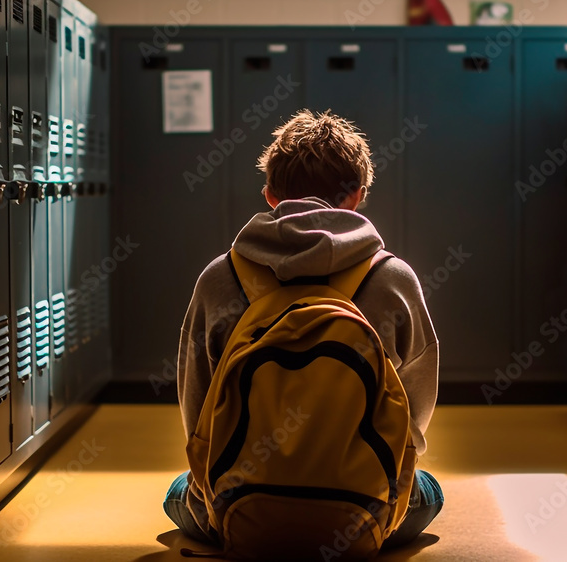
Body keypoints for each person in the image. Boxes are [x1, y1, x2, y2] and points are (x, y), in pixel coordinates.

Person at [165, 109, 442, 552]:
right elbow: (415, 415)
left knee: (176, 494)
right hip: (363, 514)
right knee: (430, 492)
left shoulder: (221, 276)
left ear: (271, 195)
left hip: (239, 512)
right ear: (357, 195)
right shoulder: (393, 278)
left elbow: (196, 410)